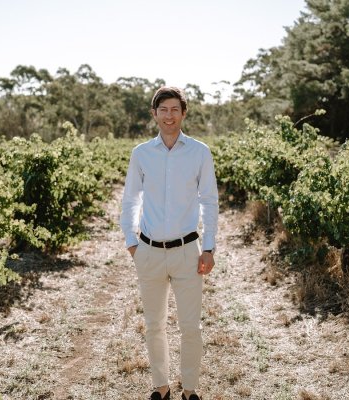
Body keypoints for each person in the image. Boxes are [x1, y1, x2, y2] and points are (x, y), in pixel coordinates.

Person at [120, 86, 218, 400]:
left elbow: (210, 202)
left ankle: (189, 389)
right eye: (163, 110)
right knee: (153, 325)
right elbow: (130, 200)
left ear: (183, 113)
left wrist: (209, 247)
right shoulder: (141, 153)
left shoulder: (200, 152)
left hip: (188, 251)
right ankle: (160, 387)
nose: (169, 116)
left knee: (190, 326)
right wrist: (132, 243)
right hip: (148, 251)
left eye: (175, 109)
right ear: (155, 114)